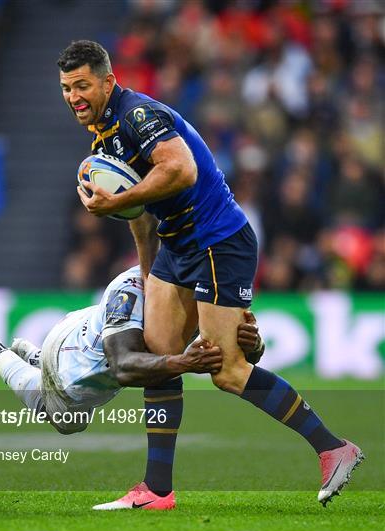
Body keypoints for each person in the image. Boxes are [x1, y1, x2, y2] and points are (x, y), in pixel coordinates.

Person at [57, 40, 364, 507]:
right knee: (158, 362)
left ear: (107, 81)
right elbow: (141, 212)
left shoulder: (139, 115)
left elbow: (180, 170)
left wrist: (116, 201)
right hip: (175, 247)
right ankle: (157, 489)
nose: (74, 96)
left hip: (218, 240)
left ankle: (333, 447)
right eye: (65, 88)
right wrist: (145, 272)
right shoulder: (103, 139)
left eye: (81, 85)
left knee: (227, 369)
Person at [0, 265, 264, 509]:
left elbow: (235, 354)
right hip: (72, 374)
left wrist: (253, 345)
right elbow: (124, 365)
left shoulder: (192, 289)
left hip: (78, 332)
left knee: (156, 365)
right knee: (69, 421)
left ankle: (36, 358)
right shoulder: (132, 288)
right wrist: (184, 363)